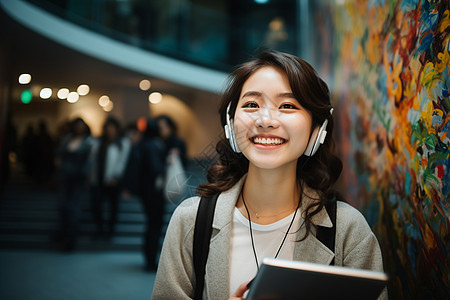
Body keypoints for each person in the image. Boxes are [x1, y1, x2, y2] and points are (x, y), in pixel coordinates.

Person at [151, 50, 386, 299]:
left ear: (317, 130)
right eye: (252, 104)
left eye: (287, 105)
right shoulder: (191, 221)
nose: (265, 120)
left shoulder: (348, 229)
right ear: (231, 124)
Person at [122, 118, 166, 271]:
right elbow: (156, 168)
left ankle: (148, 258)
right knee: (155, 225)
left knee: (150, 225)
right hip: (154, 191)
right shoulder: (154, 145)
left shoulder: (140, 144)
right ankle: (151, 260)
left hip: (144, 191)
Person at [54, 117, 93, 252]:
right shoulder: (67, 139)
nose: (79, 128)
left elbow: (89, 161)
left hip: (78, 178)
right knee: (63, 206)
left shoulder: (88, 141)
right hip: (66, 177)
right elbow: (59, 155)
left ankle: (70, 239)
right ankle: (63, 236)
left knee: (73, 209)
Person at [89, 117, 130, 238]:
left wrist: (116, 176)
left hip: (113, 179)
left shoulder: (122, 142)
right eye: (108, 128)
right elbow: (93, 160)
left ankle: (110, 230)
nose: (110, 130)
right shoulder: (99, 142)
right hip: (98, 178)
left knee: (113, 206)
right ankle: (100, 229)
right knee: (96, 205)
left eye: (112, 128)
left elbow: (123, 161)